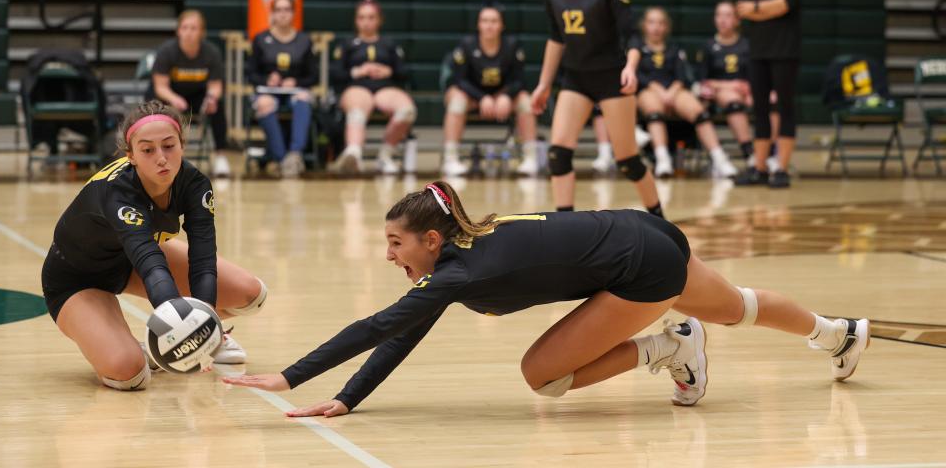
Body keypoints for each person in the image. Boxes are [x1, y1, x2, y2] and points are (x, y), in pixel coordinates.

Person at [222, 181, 870, 417]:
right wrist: (349, 395)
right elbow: (403, 330)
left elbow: (377, 324)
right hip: (639, 232)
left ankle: (669, 344)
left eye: (395, 243)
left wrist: (289, 375)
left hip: (637, 266)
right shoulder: (455, 259)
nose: (388, 255)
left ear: (428, 238)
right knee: (739, 307)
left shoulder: (456, 276)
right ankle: (837, 334)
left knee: (543, 379)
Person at [41, 101, 269, 390]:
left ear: (182, 146)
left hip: (127, 261)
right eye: (148, 150)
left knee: (251, 294)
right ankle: (131, 345)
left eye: (169, 146)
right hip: (77, 279)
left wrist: (205, 328)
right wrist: (180, 328)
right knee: (129, 374)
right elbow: (152, 266)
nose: (161, 158)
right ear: (131, 155)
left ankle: (205, 335)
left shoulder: (195, 183)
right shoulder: (116, 192)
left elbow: (203, 258)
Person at [529, 0, 662, 215]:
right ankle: (565, 227)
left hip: (611, 78)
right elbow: (556, 39)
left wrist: (630, 67)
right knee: (558, 154)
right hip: (576, 78)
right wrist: (544, 84)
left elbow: (632, 37)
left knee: (627, 160)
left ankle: (660, 219)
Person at [626, 7, 738, 179]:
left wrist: (672, 91)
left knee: (699, 112)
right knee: (654, 110)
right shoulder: (637, 49)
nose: (656, 27)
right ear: (644, 25)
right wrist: (658, 90)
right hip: (648, 90)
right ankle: (663, 159)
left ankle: (719, 158)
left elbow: (682, 76)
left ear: (666, 27)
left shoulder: (674, 49)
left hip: (674, 89)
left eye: (661, 23)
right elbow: (638, 76)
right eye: (652, 22)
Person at [735, 0, 803, 189]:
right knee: (760, 108)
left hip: (785, 48)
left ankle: (781, 168)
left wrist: (758, 9)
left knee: (784, 106)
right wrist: (770, 8)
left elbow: (790, 3)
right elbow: (742, 8)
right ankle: (760, 166)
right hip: (759, 49)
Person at [442, 4, 538, 177]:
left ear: (502, 25)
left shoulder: (512, 45)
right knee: (456, 101)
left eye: (494, 21)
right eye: (485, 21)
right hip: (471, 93)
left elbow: (520, 80)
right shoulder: (467, 45)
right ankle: (451, 158)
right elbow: (459, 80)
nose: (489, 25)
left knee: (525, 101)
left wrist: (506, 96)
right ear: (478, 24)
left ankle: (531, 157)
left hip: (501, 94)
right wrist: (482, 97)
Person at [330, 0, 417, 175]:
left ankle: (385, 156)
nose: (366, 22)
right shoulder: (347, 45)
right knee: (358, 108)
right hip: (357, 88)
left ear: (379, 20)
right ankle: (353, 155)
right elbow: (335, 74)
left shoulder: (389, 44)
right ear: (356, 20)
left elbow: (405, 73)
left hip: (384, 89)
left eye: (371, 17)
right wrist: (357, 71)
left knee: (407, 110)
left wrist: (388, 71)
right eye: (362, 18)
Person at [697, 0, 781, 169]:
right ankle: (749, 153)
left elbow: (759, 75)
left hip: (748, 90)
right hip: (721, 93)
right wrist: (729, 85)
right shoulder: (708, 47)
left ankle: (770, 153)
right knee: (733, 100)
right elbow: (703, 81)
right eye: (719, 15)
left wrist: (752, 87)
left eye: (728, 15)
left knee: (771, 101)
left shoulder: (747, 45)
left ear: (737, 20)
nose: (722, 20)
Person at [149, 10, 231, 178]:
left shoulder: (211, 52)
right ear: (178, 31)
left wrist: (212, 98)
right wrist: (173, 99)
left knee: (217, 107)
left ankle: (221, 156)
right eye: (185, 27)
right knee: (155, 106)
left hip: (197, 94)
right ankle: (161, 157)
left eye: (194, 28)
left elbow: (216, 86)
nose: (189, 32)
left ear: (202, 32)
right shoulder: (167, 51)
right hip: (169, 94)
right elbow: (160, 86)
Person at [247, 0, 317, 178]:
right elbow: (251, 74)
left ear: (293, 13)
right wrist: (267, 80)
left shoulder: (304, 40)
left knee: (303, 98)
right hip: (269, 91)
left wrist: (296, 82)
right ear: (273, 14)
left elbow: (313, 76)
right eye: (279, 10)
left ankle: (295, 154)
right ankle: (281, 158)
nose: (283, 14)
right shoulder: (261, 39)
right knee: (264, 104)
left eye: (287, 10)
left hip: (295, 90)